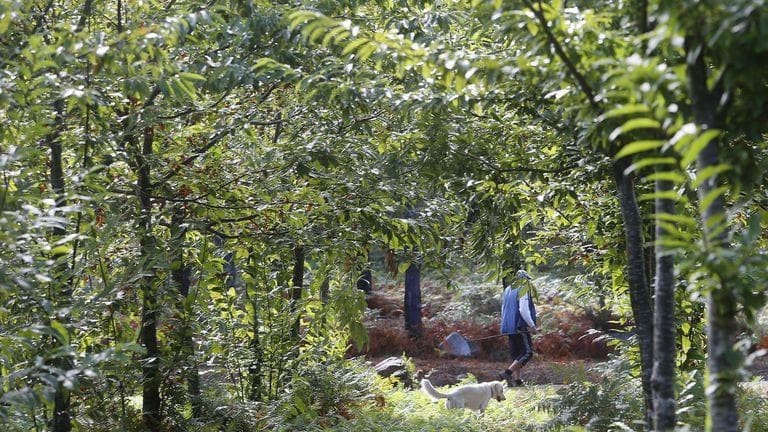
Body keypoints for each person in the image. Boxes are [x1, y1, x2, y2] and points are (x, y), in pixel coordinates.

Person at [498, 269, 538, 387]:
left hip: (509, 326)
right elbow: (523, 310)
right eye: (527, 280)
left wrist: (506, 324)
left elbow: (503, 309)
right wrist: (532, 326)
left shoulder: (507, 290)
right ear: (524, 279)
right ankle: (507, 373)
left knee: (517, 354)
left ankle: (517, 380)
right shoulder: (523, 290)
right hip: (520, 326)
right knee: (527, 353)